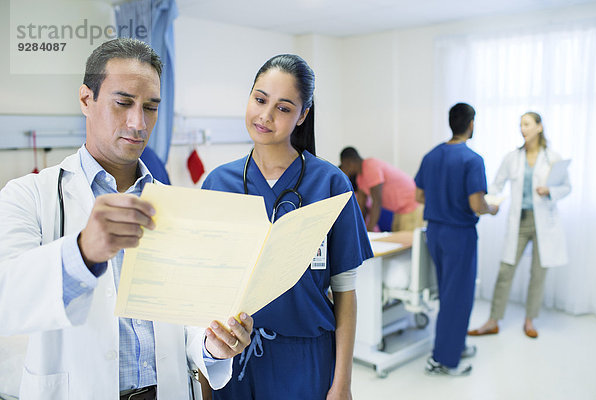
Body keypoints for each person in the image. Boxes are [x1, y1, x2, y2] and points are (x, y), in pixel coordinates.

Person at [0, 38, 253, 399]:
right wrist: (82, 253)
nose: (138, 123)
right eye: (123, 103)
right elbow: (7, 299)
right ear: (87, 99)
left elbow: (186, 319)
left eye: (150, 107)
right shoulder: (27, 196)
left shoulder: (171, 202)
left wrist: (213, 344)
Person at [201, 54, 372, 399]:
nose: (265, 116)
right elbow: (206, 292)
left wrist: (343, 384)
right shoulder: (219, 183)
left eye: (282, 107)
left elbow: (345, 291)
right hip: (233, 357)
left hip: (306, 359)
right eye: (260, 99)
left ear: (302, 115)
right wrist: (205, 379)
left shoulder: (330, 184)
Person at [468, 112, 571, 339]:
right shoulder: (512, 157)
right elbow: (495, 186)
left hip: (544, 222)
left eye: (527, 124)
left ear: (539, 127)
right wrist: (486, 201)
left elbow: (566, 186)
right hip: (520, 221)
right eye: (520, 125)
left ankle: (529, 320)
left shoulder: (552, 157)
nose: (522, 128)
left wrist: (550, 191)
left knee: (538, 273)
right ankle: (493, 320)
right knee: (506, 270)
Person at [414, 103, 498, 376]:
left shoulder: (431, 156)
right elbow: (477, 204)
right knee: (457, 297)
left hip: (435, 233)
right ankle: (443, 360)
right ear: (471, 124)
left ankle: (456, 344)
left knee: (449, 294)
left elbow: (419, 197)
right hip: (459, 235)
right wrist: (492, 207)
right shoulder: (472, 160)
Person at [340, 147, 423, 232]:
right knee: (396, 239)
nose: (343, 171)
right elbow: (361, 206)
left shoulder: (370, 166)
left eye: (343, 166)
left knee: (406, 242)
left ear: (349, 163)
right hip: (400, 209)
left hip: (412, 204)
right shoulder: (360, 178)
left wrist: (369, 230)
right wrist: (359, 229)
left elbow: (377, 202)